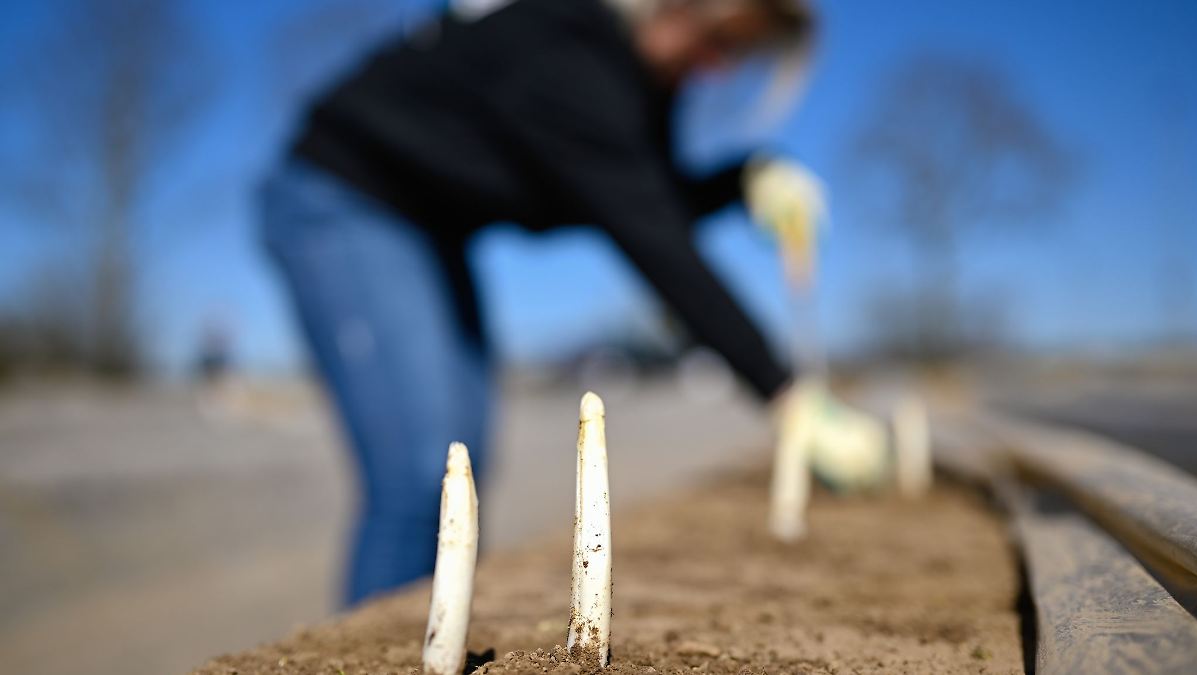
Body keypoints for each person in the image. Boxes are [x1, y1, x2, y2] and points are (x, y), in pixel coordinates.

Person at [262, 0, 836, 606]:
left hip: (433, 229)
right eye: (714, 41)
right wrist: (783, 389)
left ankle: (431, 632)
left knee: (461, 461)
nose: (716, 69)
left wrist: (744, 179)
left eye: (733, 56)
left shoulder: (638, 88)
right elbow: (651, 236)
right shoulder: (570, 43)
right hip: (346, 194)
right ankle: (389, 644)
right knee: (422, 467)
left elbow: (650, 201)